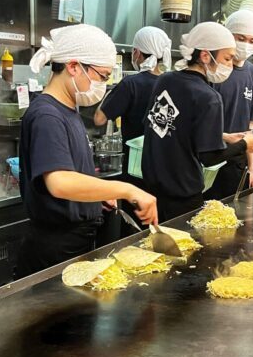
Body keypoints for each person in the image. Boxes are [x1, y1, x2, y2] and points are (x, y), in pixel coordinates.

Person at [16, 24, 158, 277]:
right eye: (102, 76)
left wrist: (94, 196)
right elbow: (59, 182)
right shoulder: (47, 115)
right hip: (55, 248)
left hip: (74, 240)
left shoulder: (68, 109)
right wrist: (127, 189)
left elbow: (72, 171)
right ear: (73, 67)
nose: (103, 83)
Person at [141, 22, 253, 222]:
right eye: (227, 58)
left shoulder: (165, 80)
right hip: (183, 193)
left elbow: (169, 125)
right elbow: (210, 158)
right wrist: (244, 144)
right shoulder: (208, 96)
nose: (230, 65)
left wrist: (223, 136)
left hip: (152, 189)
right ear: (205, 56)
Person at [94, 26, 171, 235]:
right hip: (166, 171)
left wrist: (105, 90)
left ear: (137, 53)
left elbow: (99, 118)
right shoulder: (171, 82)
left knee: (136, 233)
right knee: (160, 230)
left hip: (137, 173)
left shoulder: (131, 83)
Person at [208, 10, 253, 199]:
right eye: (240, 38)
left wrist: (252, 169)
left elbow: (250, 127)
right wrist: (226, 137)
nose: (246, 45)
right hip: (210, 158)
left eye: (252, 40)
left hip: (238, 160)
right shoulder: (214, 71)